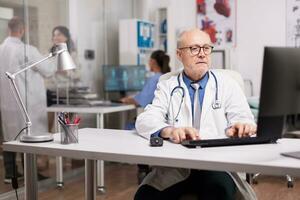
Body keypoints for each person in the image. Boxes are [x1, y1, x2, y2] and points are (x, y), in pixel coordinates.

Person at [135, 28, 257, 200]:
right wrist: (169, 130)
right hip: (176, 165)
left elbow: (243, 117)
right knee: (145, 196)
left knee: (218, 192)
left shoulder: (227, 84)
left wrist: (241, 126)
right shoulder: (167, 86)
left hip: (216, 165)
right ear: (179, 54)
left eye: (206, 48)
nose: (202, 54)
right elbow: (145, 119)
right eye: (194, 48)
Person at [0, 16, 55, 183]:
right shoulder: (27, 50)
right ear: (22, 30)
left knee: (10, 138)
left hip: (7, 103)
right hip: (26, 103)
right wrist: (53, 54)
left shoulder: (0, 49)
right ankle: (30, 174)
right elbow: (47, 70)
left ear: (9, 29)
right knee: (27, 138)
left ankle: (11, 174)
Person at [120, 50, 170, 183]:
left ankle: (142, 167)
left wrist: (126, 100)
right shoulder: (167, 76)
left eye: (149, 60)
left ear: (153, 62)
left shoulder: (154, 78)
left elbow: (141, 100)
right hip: (166, 121)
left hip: (157, 121)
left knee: (130, 128)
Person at [46, 25, 80, 107]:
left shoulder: (73, 55)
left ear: (66, 38)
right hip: (51, 91)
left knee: (63, 119)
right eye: (54, 35)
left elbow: (78, 75)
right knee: (50, 118)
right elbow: (46, 72)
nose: (55, 37)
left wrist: (66, 72)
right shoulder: (50, 54)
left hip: (67, 92)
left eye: (59, 35)